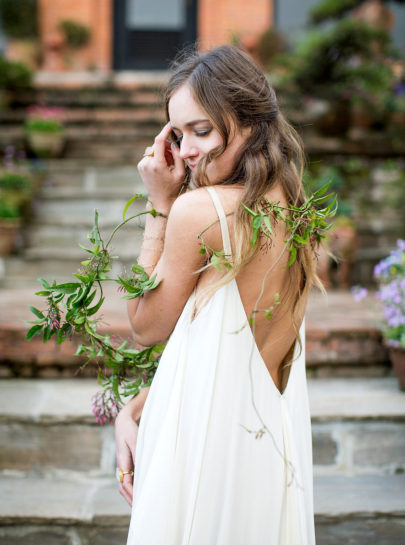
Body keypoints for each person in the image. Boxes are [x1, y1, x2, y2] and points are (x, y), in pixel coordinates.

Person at [114, 44, 318, 544]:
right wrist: (138, 405)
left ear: (249, 123)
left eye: (201, 130)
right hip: (259, 457)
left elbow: (143, 327)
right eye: (178, 134)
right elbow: (236, 361)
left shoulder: (201, 211)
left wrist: (160, 203)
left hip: (204, 460)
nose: (184, 151)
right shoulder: (294, 208)